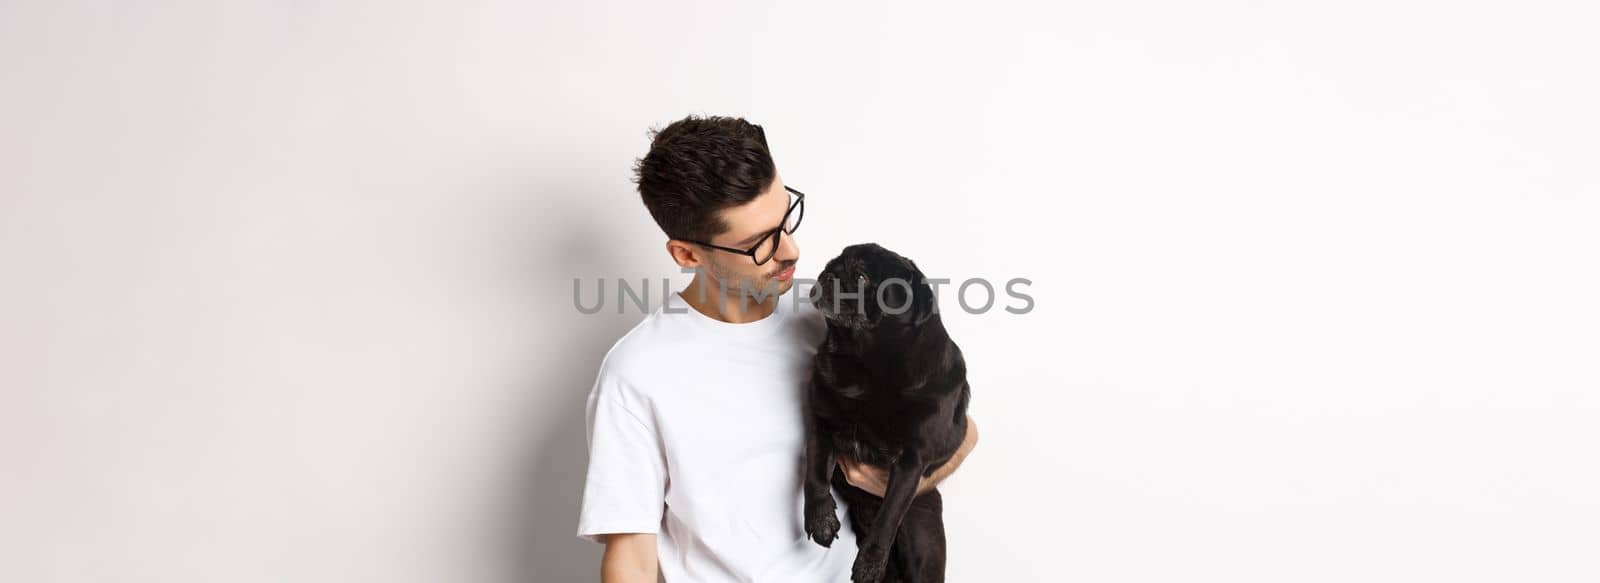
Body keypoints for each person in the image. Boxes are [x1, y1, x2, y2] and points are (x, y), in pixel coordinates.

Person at [574, 115, 980, 582]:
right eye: (757, 244)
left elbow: (960, 431)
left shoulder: (833, 323)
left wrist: (901, 480)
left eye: (785, 218)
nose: (791, 250)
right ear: (688, 255)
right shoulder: (637, 374)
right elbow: (632, 559)